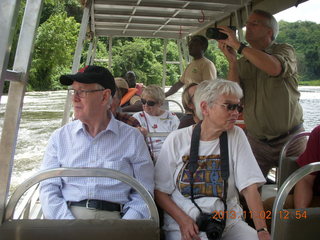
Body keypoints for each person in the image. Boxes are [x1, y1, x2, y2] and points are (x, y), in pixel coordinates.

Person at [155, 80, 270, 240]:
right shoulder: (177, 139)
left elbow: (249, 188)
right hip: (186, 224)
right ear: (205, 107)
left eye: (238, 107)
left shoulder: (236, 135)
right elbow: (160, 192)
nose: (236, 113)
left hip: (228, 223)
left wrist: (262, 230)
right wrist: (183, 221)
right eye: (229, 106)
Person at [39, 65, 154, 220]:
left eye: (82, 92)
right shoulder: (59, 138)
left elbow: (144, 192)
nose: (74, 98)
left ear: (105, 96)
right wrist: (68, 227)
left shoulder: (132, 138)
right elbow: (48, 189)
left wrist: (124, 228)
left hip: (117, 221)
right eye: (74, 91)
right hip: (67, 218)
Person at [217, 9, 305, 177]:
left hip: (291, 139)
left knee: (293, 193)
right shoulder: (244, 61)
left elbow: (275, 68)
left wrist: (238, 45)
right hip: (257, 140)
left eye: (254, 24)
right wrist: (233, 62)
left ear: (269, 32)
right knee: (248, 189)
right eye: (247, 24)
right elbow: (234, 95)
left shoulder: (285, 50)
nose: (247, 27)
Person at [263, 125, 320, 231]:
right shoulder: (318, 133)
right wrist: (301, 217)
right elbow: (306, 180)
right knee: (269, 207)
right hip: (316, 198)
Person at [133, 85, 180, 161]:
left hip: (169, 156)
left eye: (150, 103)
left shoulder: (171, 117)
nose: (146, 105)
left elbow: (178, 140)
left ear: (160, 103)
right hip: (145, 156)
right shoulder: (137, 117)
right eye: (143, 101)